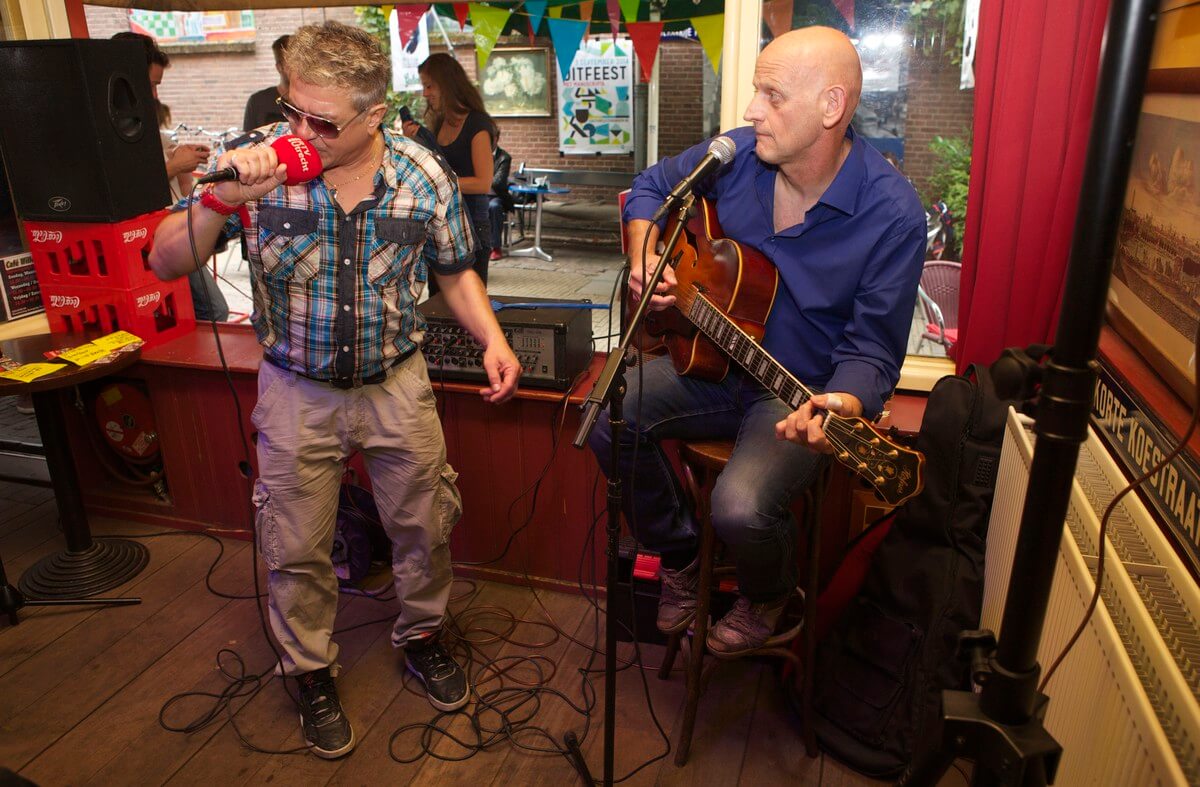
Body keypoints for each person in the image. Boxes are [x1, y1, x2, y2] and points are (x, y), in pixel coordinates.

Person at [147, 21, 521, 759]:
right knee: (296, 546)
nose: (301, 132)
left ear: (375, 114)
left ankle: (421, 637)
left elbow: (453, 271)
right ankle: (311, 670)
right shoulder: (253, 159)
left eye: (323, 120)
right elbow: (164, 259)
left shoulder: (423, 176)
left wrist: (494, 338)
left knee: (423, 525)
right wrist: (225, 199)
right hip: (295, 388)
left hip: (397, 384)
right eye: (293, 109)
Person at [590, 27, 925, 655]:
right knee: (604, 414)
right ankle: (681, 555)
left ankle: (769, 592)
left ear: (831, 107)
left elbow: (873, 353)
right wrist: (647, 257)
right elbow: (649, 189)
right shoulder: (734, 156)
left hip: (795, 399)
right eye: (755, 92)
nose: (750, 111)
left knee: (740, 508)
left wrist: (844, 407)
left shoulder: (893, 215)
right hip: (708, 362)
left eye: (772, 96)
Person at [112, 32, 229, 323]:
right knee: (213, 310)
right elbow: (119, 190)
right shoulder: (109, 128)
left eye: (156, 86)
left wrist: (180, 159)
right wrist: (175, 166)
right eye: (150, 84)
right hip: (144, 239)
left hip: (162, 229)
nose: (154, 94)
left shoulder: (141, 124)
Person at [401, 52, 496, 290]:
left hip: (472, 226)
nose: (425, 93)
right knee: (438, 304)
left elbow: (483, 183)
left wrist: (442, 182)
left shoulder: (477, 124)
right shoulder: (439, 122)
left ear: (447, 84)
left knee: (467, 308)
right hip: (441, 226)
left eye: (429, 86)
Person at [242, 35, 291, 132]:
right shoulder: (257, 101)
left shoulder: (309, 101)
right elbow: (248, 143)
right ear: (279, 67)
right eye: (292, 63)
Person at [488, 142, 514, 261]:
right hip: (480, 195)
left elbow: (498, 182)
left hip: (497, 195)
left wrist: (479, 180)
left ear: (496, 138)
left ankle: (496, 247)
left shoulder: (504, 157)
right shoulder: (477, 152)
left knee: (494, 207)